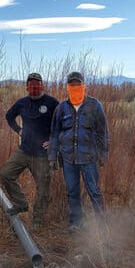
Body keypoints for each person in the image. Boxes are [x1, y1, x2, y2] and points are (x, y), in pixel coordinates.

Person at [48, 71, 109, 232]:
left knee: (94, 191)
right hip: (68, 158)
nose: (75, 87)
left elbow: (103, 132)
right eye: (72, 84)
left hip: (89, 157)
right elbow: (54, 134)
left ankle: (101, 225)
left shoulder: (94, 106)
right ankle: (76, 222)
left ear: (83, 86)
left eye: (78, 84)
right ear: (68, 87)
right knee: (72, 191)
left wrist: (103, 154)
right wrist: (52, 156)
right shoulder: (61, 108)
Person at [0, 72, 59, 227]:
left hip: (42, 155)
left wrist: (53, 140)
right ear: (26, 86)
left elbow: (61, 124)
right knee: (6, 174)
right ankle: (21, 203)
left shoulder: (52, 102)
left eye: (37, 83)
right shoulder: (22, 103)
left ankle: (37, 220)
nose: (34, 86)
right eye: (31, 83)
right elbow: (9, 117)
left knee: (43, 188)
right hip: (24, 150)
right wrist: (18, 130)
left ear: (42, 85)